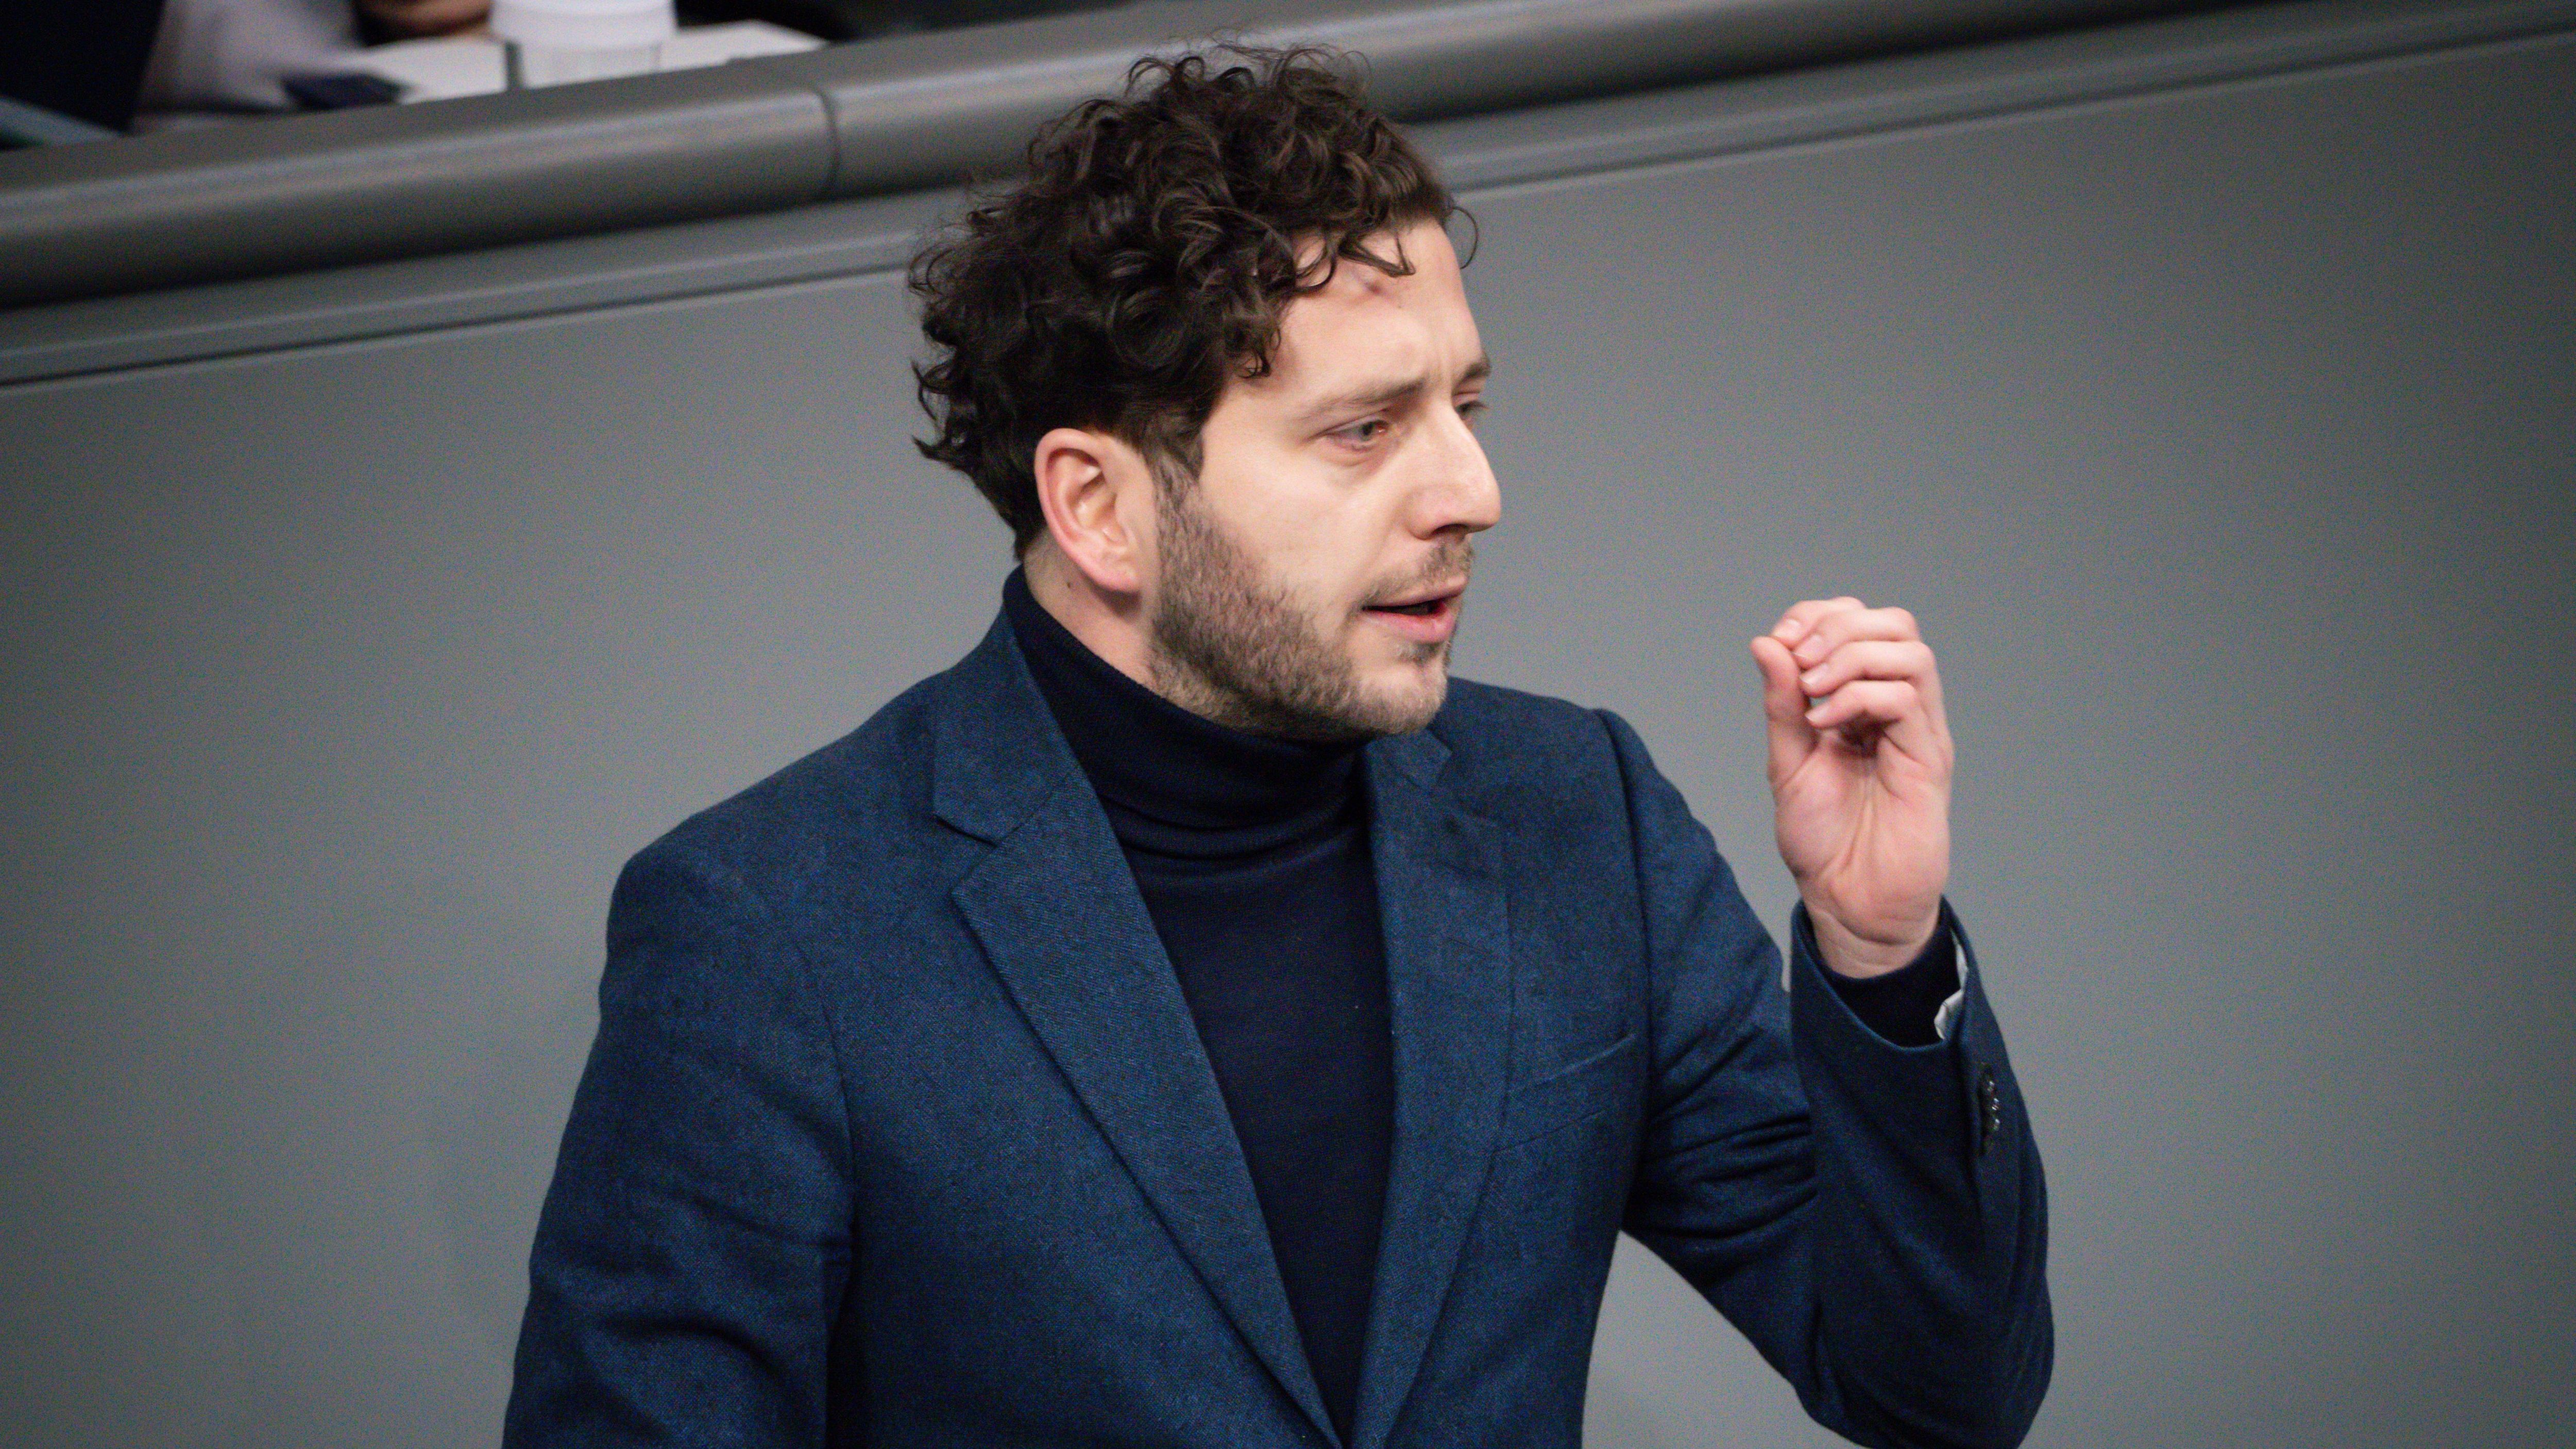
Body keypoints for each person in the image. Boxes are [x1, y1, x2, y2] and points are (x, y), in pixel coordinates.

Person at [503, 45, 2050, 1449]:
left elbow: (1941, 1392)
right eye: (1364, 430)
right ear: (1097, 505)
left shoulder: (1582, 814)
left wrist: (1880, 950)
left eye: (1467, 402)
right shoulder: (772, 934)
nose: (1473, 489)